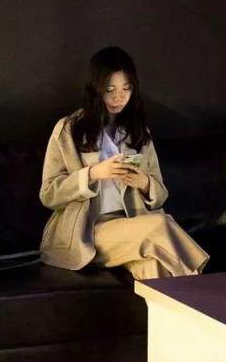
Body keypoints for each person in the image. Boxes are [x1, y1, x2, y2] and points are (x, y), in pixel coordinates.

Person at [39, 46, 208, 280]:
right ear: (95, 88)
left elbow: (160, 196)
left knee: (153, 267)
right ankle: (198, 285)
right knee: (159, 224)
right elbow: (48, 195)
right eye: (110, 90)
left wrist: (144, 182)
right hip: (87, 233)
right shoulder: (69, 129)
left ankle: (181, 298)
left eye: (126, 89)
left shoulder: (138, 131)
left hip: (133, 227)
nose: (119, 97)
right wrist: (93, 173)